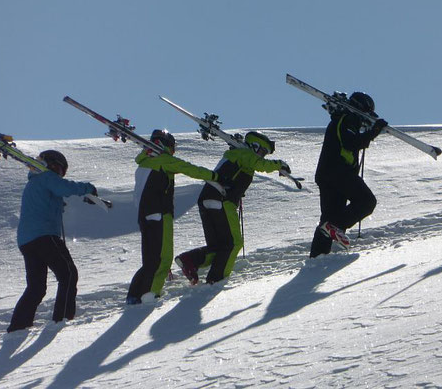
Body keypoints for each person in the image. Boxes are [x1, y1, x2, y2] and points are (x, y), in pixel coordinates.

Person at [175, 131, 290, 285]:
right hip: (223, 200)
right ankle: (216, 280)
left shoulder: (235, 155)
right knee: (233, 243)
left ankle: (190, 260)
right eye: (262, 152)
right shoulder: (245, 154)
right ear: (255, 147)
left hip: (207, 199)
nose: (262, 156)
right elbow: (260, 165)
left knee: (219, 247)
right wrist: (279, 164)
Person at [127, 129, 223, 304]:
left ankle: (134, 294)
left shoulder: (143, 164)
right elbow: (188, 168)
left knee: (150, 258)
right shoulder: (162, 160)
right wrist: (213, 176)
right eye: (172, 148)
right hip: (160, 215)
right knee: (163, 257)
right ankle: (150, 294)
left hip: (145, 216)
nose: (172, 153)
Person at [8, 150, 98, 333]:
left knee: (36, 287)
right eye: (60, 170)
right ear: (53, 165)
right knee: (68, 274)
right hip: (44, 235)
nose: (60, 174)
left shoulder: (34, 183)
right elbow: (65, 187)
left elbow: (49, 198)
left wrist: (57, 203)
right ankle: (62, 319)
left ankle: (18, 326)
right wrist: (88, 188)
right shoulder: (47, 177)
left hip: (27, 241)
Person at [309, 92, 387, 258]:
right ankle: (334, 227)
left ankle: (317, 258)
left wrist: (368, 131)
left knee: (329, 218)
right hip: (338, 171)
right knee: (367, 201)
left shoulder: (340, 120)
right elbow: (351, 142)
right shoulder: (347, 119)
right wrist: (374, 131)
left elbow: (350, 143)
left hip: (327, 174)